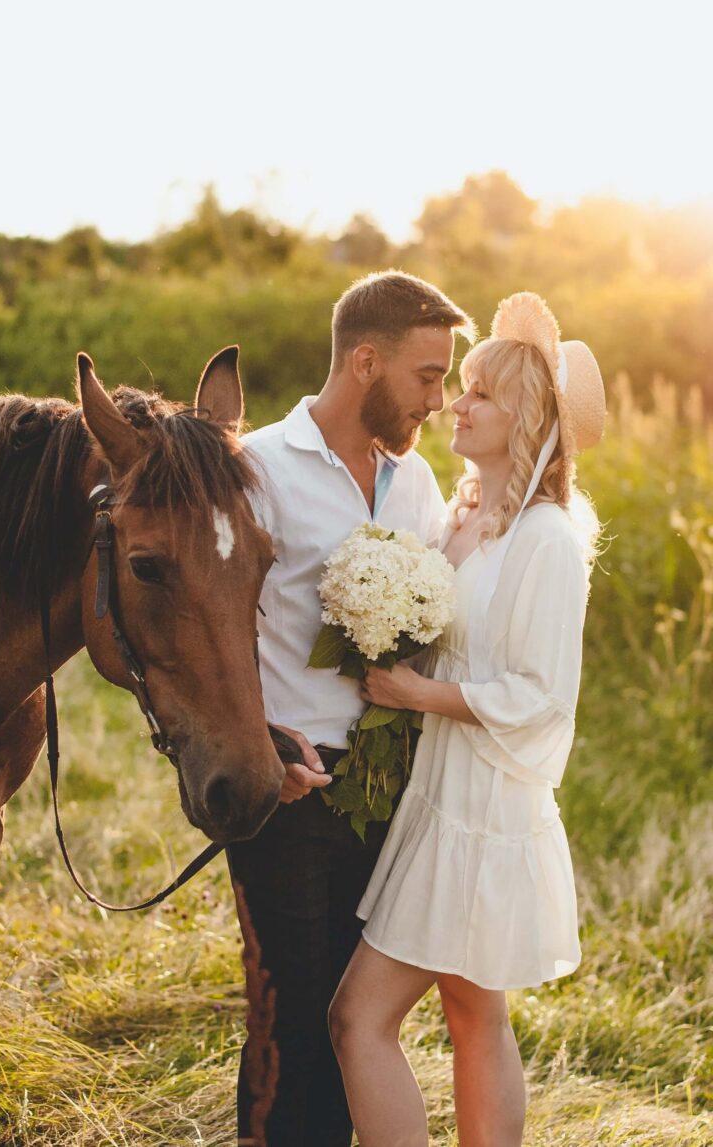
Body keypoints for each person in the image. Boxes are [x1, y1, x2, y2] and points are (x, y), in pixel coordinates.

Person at [328, 292, 606, 1147]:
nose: (457, 403)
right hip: (441, 792)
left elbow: (540, 695)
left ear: (521, 415)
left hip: (484, 809)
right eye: (461, 387)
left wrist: (416, 696)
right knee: (473, 1014)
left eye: (480, 392)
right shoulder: (470, 521)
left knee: (357, 1020)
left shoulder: (547, 540)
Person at [227, 271, 476, 1147]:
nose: (439, 401)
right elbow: (209, 634)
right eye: (427, 376)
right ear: (364, 362)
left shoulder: (415, 483)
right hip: (289, 787)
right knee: (288, 1018)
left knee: (356, 1022)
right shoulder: (255, 467)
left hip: (387, 795)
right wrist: (259, 743)